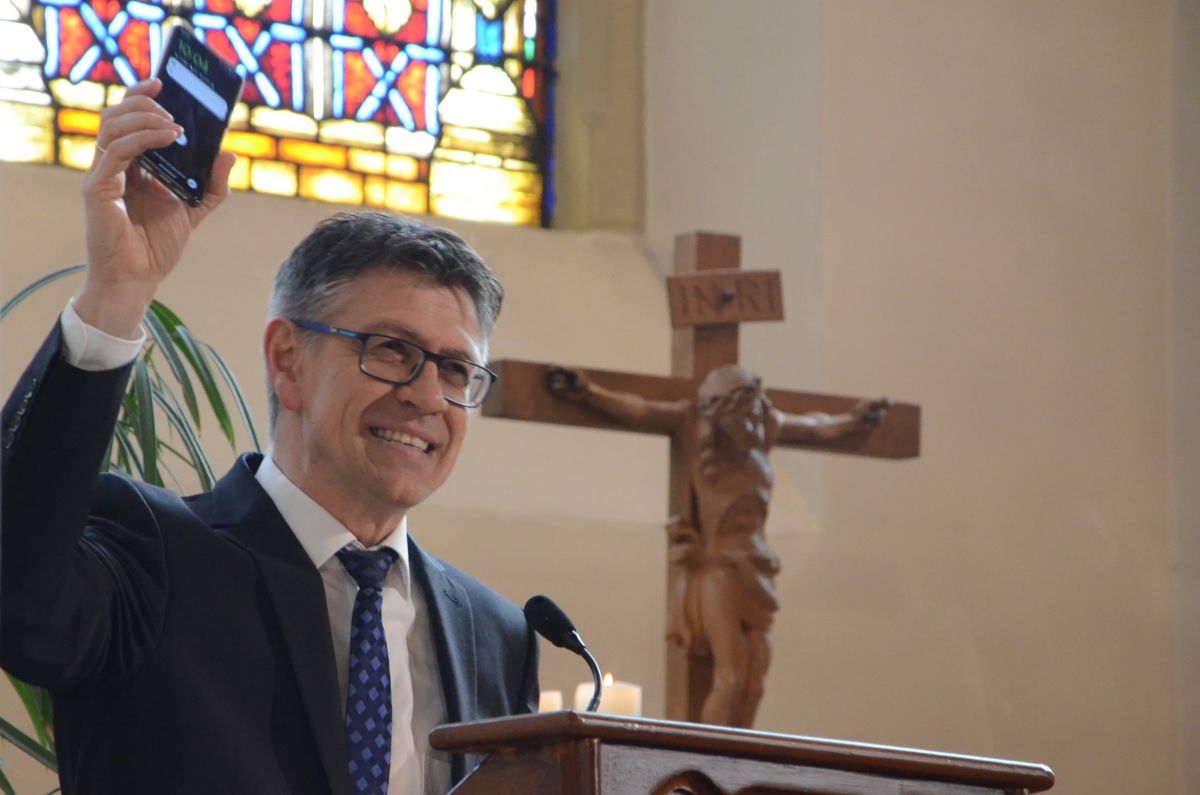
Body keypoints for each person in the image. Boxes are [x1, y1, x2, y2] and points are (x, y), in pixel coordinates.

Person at [0, 78, 537, 795]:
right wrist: (116, 293)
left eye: (456, 368)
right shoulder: (155, 554)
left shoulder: (498, 636)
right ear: (288, 360)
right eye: (391, 350)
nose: (426, 395)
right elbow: (17, 600)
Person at [548, 363, 886, 728]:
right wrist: (589, 393)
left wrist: (854, 421)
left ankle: (740, 758)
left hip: (759, 570)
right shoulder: (693, 424)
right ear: (722, 414)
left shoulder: (766, 428)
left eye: (755, 413)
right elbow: (640, 409)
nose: (753, 424)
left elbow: (816, 427)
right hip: (719, 571)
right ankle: (707, 756)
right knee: (732, 679)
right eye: (744, 416)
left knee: (754, 686)